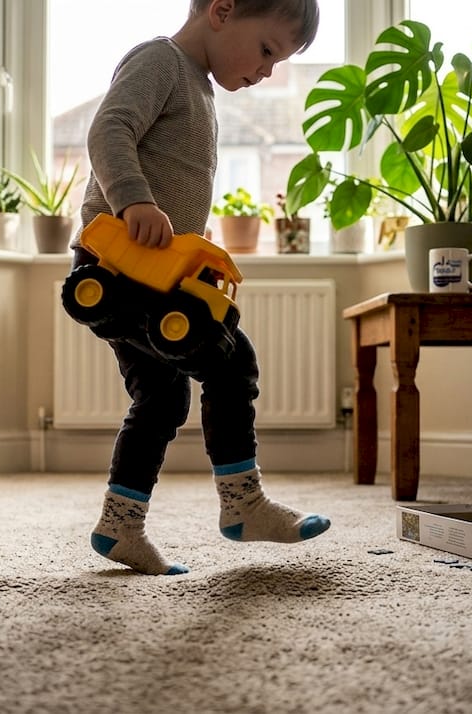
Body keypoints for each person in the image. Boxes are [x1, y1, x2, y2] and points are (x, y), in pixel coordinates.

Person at [68, 0, 328, 576]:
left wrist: (190, 240)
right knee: (232, 364)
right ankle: (244, 505)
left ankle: (119, 527)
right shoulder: (160, 61)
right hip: (116, 267)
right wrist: (134, 198)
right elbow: (110, 128)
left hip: (159, 271)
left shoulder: (202, 89)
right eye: (266, 50)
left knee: (162, 398)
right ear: (222, 10)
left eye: (277, 62)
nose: (267, 71)